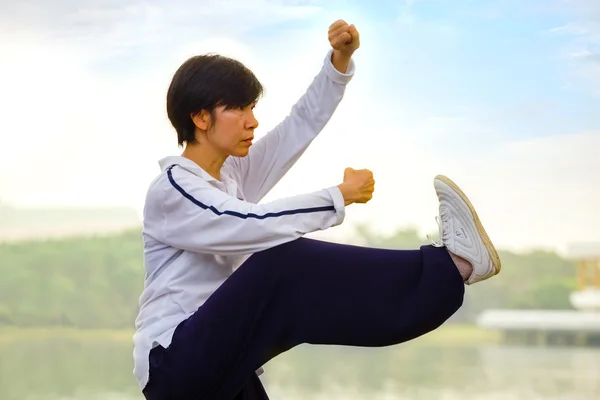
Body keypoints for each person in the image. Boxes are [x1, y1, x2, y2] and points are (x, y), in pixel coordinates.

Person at [133, 19, 502, 400]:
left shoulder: (233, 174)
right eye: (238, 108)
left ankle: (436, 285)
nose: (252, 120)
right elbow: (247, 223)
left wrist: (339, 62)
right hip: (175, 361)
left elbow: (299, 124)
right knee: (282, 262)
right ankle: (454, 264)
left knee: (286, 275)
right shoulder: (174, 189)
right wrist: (338, 196)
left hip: (227, 364)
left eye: (252, 107)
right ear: (201, 117)